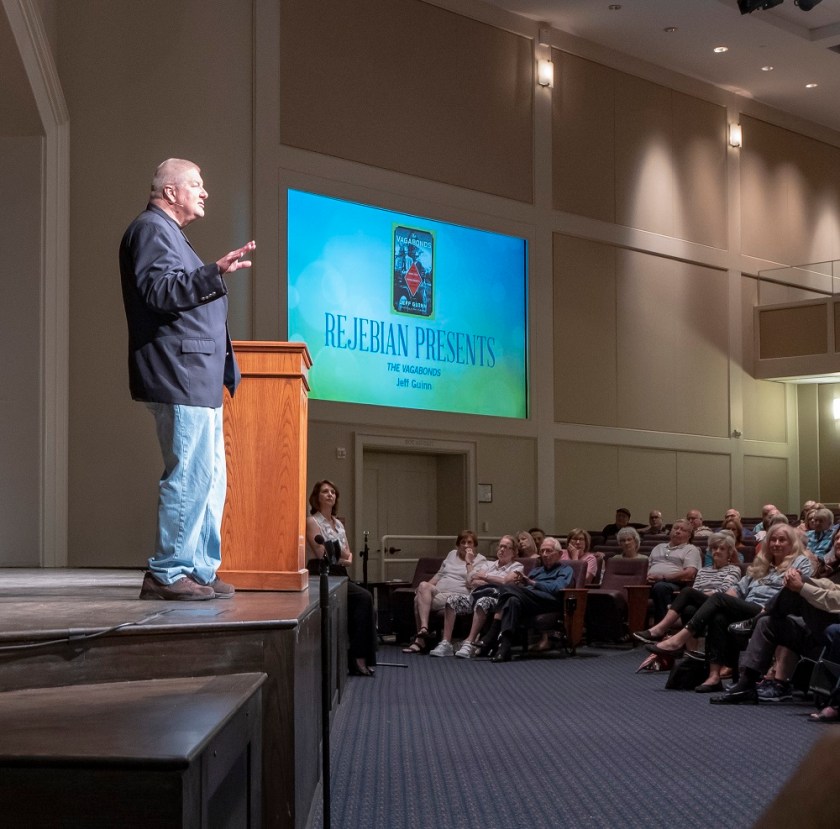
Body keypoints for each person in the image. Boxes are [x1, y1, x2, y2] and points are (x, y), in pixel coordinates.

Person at [120, 158, 255, 601]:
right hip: (179, 372)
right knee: (190, 476)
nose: (204, 192)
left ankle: (198, 567)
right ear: (171, 192)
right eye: (195, 184)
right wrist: (213, 272)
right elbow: (159, 292)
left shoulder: (171, 234)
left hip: (197, 375)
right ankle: (167, 571)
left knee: (210, 476)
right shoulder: (150, 229)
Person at [645, 524, 813, 689]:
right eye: (773, 540)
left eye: (782, 540)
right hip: (747, 607)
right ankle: (714, 677)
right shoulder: (761, 564)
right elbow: (738, 589)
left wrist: (720, 601)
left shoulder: (799, 562)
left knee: (716, 598)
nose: (776, 544)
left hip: (769, 611)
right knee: (719, 616)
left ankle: (678, 638)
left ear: (792, 543)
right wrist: (721, 604)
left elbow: (794, 593)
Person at [711, 567, 840, 709]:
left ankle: (753, 621)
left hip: (834, 637)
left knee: (798, 590)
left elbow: (836, 601)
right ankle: (745, 685)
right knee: (767, 623)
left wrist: (802, 587)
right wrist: (800, 578)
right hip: (814, 633)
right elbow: (832, 587)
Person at [634, 532, 742, 690]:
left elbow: (722, 591)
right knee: (689, 609)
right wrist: (696, 598)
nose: (717, 551)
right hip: (702, 605)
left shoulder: (734, 569)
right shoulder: (704, 571)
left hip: (720, 604)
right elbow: (697, 588)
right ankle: (692, 656)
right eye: (714, 548)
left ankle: (660, 629)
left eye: (722, 548)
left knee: (687, 593)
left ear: (729, 552)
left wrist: (697, 596)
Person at [306, 479, 377, 676]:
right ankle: (357, 657)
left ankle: (358, 655)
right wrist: (342, 557)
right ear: (317, 497)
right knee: (364, 598)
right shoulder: (312, 521)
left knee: (365, 600)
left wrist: (345, 557)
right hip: (320, 572)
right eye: (325, 491)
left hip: (339, 572)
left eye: (333, 492)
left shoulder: (338, 523)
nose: (330, 494)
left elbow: (348, 553)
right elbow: (323, 554)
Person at [480, 537, 573, 663]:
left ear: (560, 554)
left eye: (549, 551)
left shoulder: (565, 569)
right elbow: (526, 588)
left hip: (550, 602)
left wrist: (533, 583)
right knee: (512, 600)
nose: (545, 555)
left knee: (507, 587)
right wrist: (526, 585)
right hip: (531, 602)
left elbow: (557, 588)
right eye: (543, 551)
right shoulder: (536, 571)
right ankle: (505, 649)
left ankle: (492, 633)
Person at [429, 535, 524, 658]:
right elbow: (472, 581)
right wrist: (493, 580)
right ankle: (446, 642)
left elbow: (505, 582)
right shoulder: (489, 564)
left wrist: (485, 577)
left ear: (514, 552)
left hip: (498, 600)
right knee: (452, 600)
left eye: (506, 547)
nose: (501, 550)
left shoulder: (517, 567)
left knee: (483, 601)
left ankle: (469, 642)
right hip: (476, 594)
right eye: (500, 546)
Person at [402, 531, 486, 654]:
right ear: (458, 545)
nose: (466, 545)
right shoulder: (452, 554)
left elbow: (471, 582)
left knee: (417, 601)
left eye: (469, 542)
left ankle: (420, 639)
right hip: (439, 591)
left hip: (457, 595)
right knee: (423, 586)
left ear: (474, 546)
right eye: (463, 542)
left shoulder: (480, 560)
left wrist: (469, 561)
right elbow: (440, 574)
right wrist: (424, 589)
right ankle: (424, 628)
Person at [646, 520, 703, 623]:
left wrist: (663, 578)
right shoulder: (658, 547)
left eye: (682, 530)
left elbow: (690, 572)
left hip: (675, 584)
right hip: (649, 583)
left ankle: (661, 629)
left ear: (689, 535)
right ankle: (636, 629)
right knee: (635, 591)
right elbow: (647, 567)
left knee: (661, 587)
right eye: (675, 528)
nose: (678, 531)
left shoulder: (690, 549)